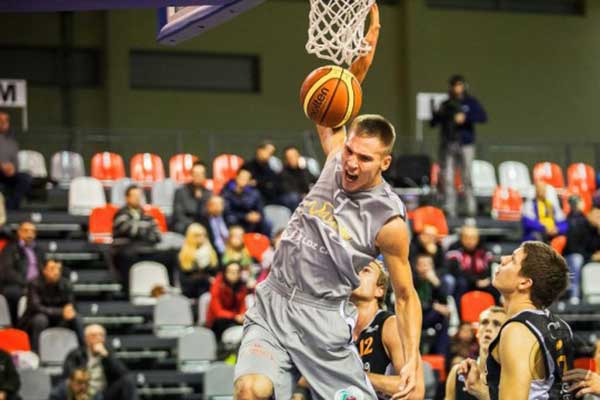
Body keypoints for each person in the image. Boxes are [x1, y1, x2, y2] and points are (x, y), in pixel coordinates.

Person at [234, 6, 423, 399]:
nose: (352, 162)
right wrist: (363, 58)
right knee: (251, 390)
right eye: (351, 151)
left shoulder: (388, 221)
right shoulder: (336, 161)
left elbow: (405, 295)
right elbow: (338, 100)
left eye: (365, 158)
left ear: (384, 163)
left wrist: (413, 359)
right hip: (276, 300)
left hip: (322, 320)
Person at [293, 260, 425, 400]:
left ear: (379, 290)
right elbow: (304, 379)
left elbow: (415, 391)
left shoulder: (390, 325)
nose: (355, 274)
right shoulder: (333, 329)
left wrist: (354, 376)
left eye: (365, 270)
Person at [458, 241, 574, 399]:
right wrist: (481, 391)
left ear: (525, 282)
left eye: (512, 259)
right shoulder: (561, 327)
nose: (503, 259)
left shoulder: (517, 330)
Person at [430, 75, 487, 218]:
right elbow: (433, 123)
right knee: (448, 177)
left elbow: (483, 117)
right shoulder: (446, 104)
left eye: (459, 85)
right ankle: (450, 209)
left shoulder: (470, 102)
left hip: (466, 144)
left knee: (467, 177)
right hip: (448, 143)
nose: (456, 88)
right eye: (454, 85)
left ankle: (470, 209)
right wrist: (437, 113)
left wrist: (466, 117)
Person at [111, 185, 173, 291]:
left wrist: (138, 228)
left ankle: (168, 289)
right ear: (127, 198)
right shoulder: (120, 214)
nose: (137, 198)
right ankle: (128, 291)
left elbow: (157, 235)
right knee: (127, 255)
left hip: (146, 249)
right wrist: (145, 229)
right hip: (126, 250)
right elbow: (127, 229)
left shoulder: (147, 216)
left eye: (139, 196)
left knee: (171, 254)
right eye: (134, 196)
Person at [20, 259, 83, 353]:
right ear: (44, 270)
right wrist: (60, 312)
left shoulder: (66, 284)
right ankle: (36, 353)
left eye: (59, 269)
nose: (56, 272)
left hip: (58, 319)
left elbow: (71, 305)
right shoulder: (34, 284)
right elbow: (35, 307)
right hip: (35, 318)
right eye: (52, 269)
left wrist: (69, 311)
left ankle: (83, 351)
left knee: (76, 318)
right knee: (41, 319)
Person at [445, 306, 507, 400]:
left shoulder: (512, 377)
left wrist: (482, 393)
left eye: (497, 324)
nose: (488, 328)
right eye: (484, 323)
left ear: (508, 334)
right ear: (477, 333)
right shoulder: (458, 373)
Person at [63, 324, 138, 400]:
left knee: (128, 380)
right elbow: (69, 376)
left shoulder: (107, 353)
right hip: (84, 391)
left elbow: (123, 373)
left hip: (104, 393)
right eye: (94, 336)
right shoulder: (76, 354)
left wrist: (106, 356)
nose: (98, 338)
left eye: (101, 335)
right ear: (86, 339)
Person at [0, 221, 43, 324]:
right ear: (19, 232)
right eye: (26, 231)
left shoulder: (39, 250)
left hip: (37, 285)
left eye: (32, 232)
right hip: (19, 285)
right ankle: (15, 325)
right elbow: (7, 271)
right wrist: (26, 282)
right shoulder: (10, 248)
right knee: (12, 293)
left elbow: (44, 269)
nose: (30, 234)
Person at [445, 225, 497, 306]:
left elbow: (489, 268)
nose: (470, 241)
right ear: (461, 238)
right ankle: (459, 315)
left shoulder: (485, 249)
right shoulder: (454, 249)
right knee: (461, 283)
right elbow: (456, 271)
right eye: (466, 238)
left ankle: (496, 313)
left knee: (495, 286)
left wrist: (485, 280)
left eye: (473, 238)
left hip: (481, 280)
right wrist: (475, 281)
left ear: (477, 238)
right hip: (465, 281)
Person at [564, 197, 600, 302]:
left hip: (589, 257)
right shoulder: (578, 224)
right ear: (589, 214)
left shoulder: (596, 230)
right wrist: (592, 256)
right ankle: (574, 295)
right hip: (570, 258)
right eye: (597, 215)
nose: (599, 218)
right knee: (577, 259)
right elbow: (573, 248)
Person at [413, 253, 450, 355]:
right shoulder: (413, 281)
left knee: (443, 318)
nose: (426, 268)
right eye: (423, 264)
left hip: (429, 315)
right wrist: (434, 306)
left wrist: (436, 283)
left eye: (429, 264)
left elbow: (444, 301)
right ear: (417, 267)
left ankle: (440, 355)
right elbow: (414, 303)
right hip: (414, 316)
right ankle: (418, 353)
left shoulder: (434, 280)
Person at [221, 168, 271, 236]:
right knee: (231, 219)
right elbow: (227, 212)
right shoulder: (227, 192)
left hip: (251, 221)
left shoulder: (254, 193)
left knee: (267, 223)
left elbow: (260, 211)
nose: (243, 180)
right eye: (241, 177)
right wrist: (245, 216)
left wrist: (257, 216)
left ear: (249, 181)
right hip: (236, 219)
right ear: (236, 177)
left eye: (246, 178)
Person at [206, 261, 248, 341]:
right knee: (222, 322)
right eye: (232, 272)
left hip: (235, 318)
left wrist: (242, 315)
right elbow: (217, 312)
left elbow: (243, 306)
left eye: (238, 272)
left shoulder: (242, 287)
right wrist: (234, 316)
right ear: (225, 273)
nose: (235, 274)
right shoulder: (217, 286)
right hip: (218, 321)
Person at [177, 223, 219, 298]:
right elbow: (184, 282)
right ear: (190, 237)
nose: (202, 238)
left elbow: (215, 274)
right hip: (191, 292)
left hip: (209, 292)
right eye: (198, 235)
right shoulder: (183, 255)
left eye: (204, 235)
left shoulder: (212, 253)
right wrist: (205, 278)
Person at [0, 112, 31, 210]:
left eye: (6, 121)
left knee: (25, 178)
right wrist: (1, 166)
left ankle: (11, 207)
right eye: (1, 121)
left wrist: (13, 168)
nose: (4, 123)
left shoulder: (12, 142)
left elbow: (16, 162)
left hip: (8, 173)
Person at [171, 161, 213, 234]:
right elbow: (178, 214)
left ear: (205, 175)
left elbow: (207, 214)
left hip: (203, 225)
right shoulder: (181, 191)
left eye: (201, 174)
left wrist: (200, 200)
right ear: (191, 175)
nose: (198, 176)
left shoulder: (208, 193)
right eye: (196, 174)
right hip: (185, 225)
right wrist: (193, 225)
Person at [278, 145, 315, 211]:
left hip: (304, 196)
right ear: (286, 159)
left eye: (295, 156)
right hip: (290, 199)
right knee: (294, 197)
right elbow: (288, 190)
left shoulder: (303, 170)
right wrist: (302, 195)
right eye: (289, 157)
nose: (293, 159)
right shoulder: (282, 173)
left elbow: (315, 180)